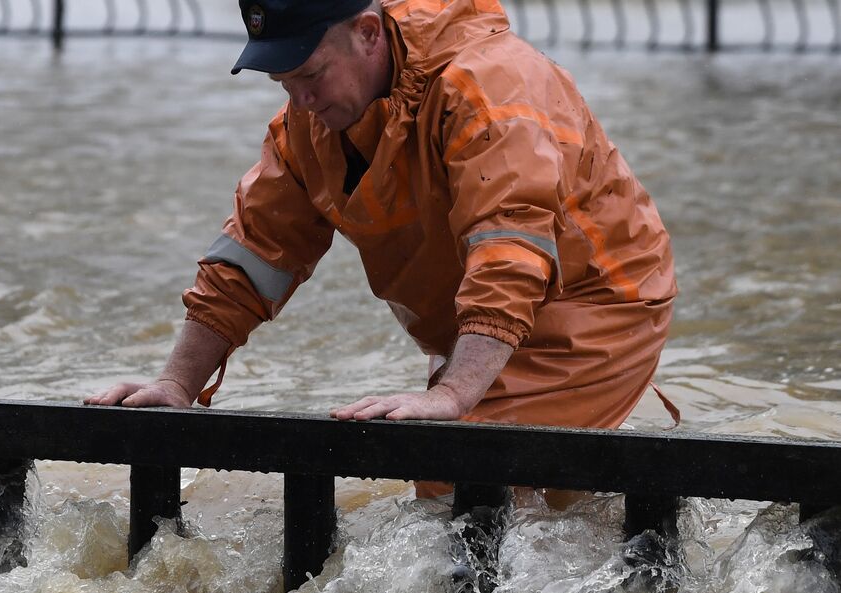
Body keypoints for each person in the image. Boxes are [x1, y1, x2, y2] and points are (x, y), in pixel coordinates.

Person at [84, 0, 678, 495]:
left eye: (310, 73)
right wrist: (177, 385)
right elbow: (254, 253)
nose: (300, 97)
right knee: (478, 487)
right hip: (480, 316)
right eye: (282, 80)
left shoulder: (491, 86)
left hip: (599, 304)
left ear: (368, 32)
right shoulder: (308, 123)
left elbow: (510, 247)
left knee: (456, 483)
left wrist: (454, 393)